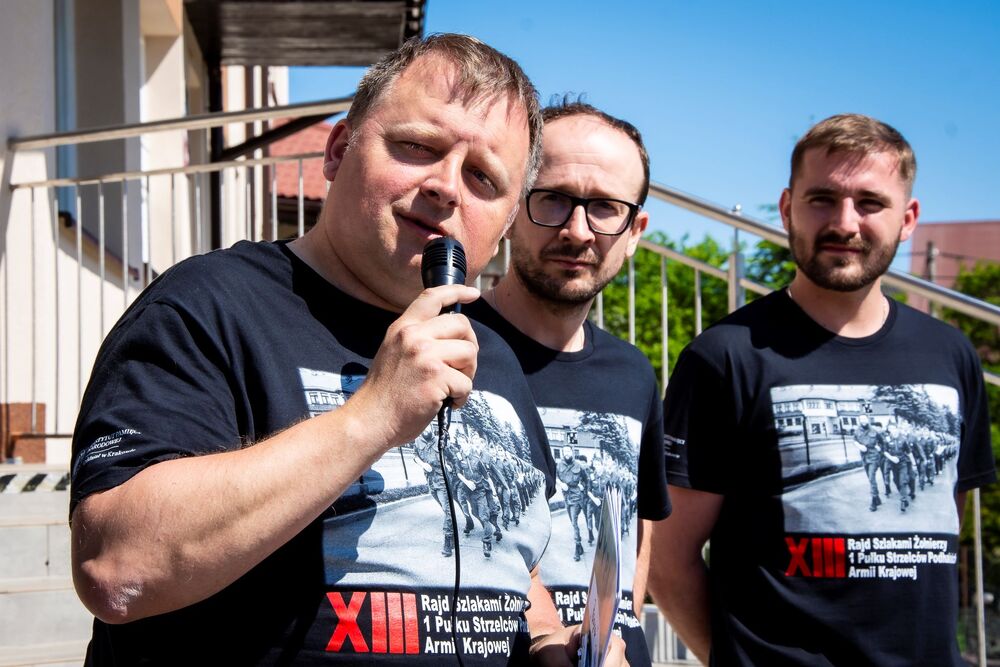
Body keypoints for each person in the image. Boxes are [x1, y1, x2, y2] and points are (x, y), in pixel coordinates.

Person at [68, 34, 619, 666]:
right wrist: (371, 417)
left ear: (503, 225)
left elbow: (516, 558)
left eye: (483, 178)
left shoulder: (488, 352)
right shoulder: (208, 304)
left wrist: (549, 641)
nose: (446, 187)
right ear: (338, 150)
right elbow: (116, 566)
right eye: (418, 146)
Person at [648, 113, 995, 665]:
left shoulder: (951, 355)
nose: (845, 222)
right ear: (788, 208)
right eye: (822, 200)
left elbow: (941, 531)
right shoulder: (724, 357)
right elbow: (666, 560)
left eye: (870, 203)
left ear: (908, 219)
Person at [468, 100, 670, 667]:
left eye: (605, 207)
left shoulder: (634, 373)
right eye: (553, 198)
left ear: (635, 231)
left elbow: (639, 526)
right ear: (513, 207)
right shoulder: (446, 346)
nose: (577, 231)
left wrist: (621, 630)